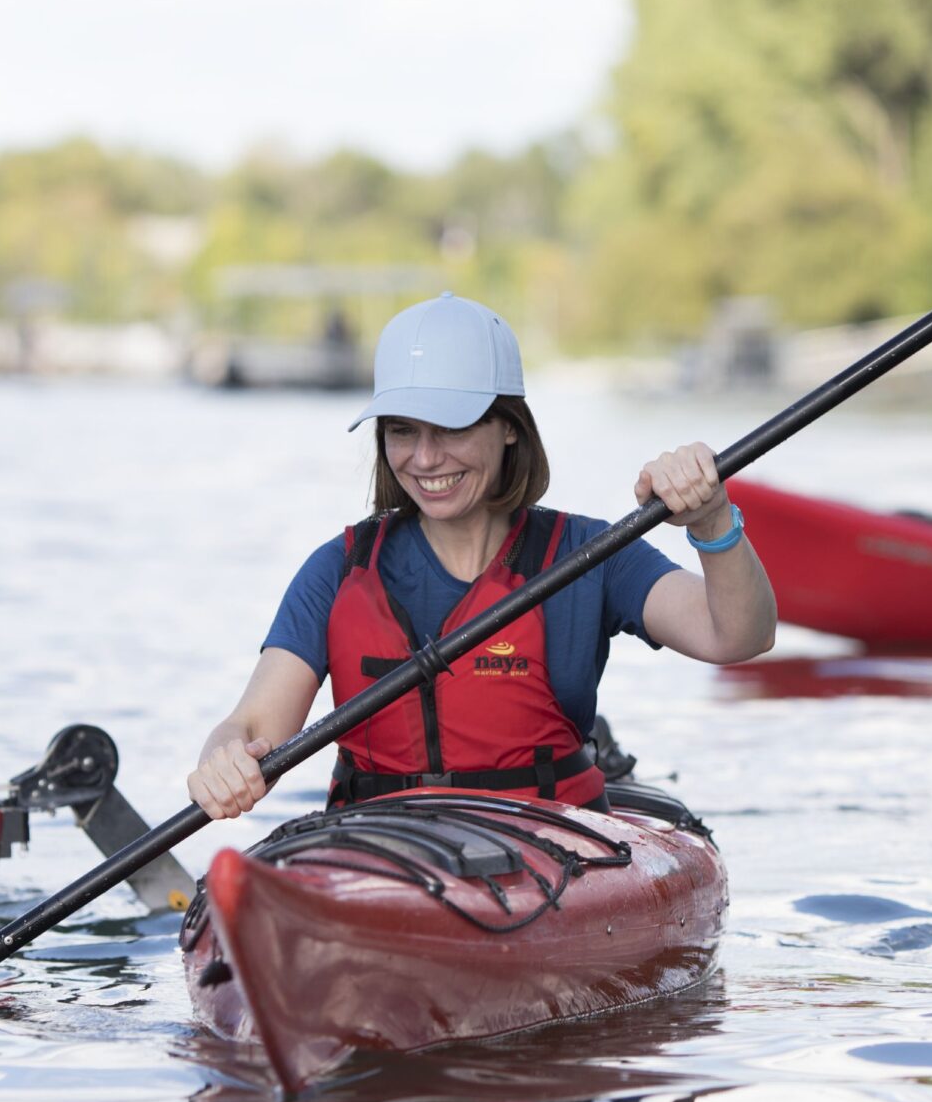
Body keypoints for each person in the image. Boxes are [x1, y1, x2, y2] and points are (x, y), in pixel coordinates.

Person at [189, 293, 777, 821]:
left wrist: (712, 521)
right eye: (401, 431)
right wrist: (224, 759)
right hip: (376, 848)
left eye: (451, 427)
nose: (424, 458)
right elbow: (250, 728)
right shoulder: (338, 569)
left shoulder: (590, 555)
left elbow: (736, 636)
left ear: (510, 428)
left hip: (552, 850)